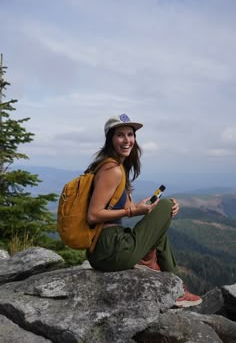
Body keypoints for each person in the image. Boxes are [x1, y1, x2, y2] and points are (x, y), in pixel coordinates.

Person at [86, 113, 202, 308]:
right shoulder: (112, 169)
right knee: (166, 205)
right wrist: (132, 212)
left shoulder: (114, 167)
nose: (127, 140)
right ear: (110, 139)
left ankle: (172, 284)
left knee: (160, 226)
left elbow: (114, 208)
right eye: (120, 135)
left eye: (130, 135)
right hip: (110, 248)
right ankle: (175, 288)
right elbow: (93, 215)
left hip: (105, 249)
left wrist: (141, 207)